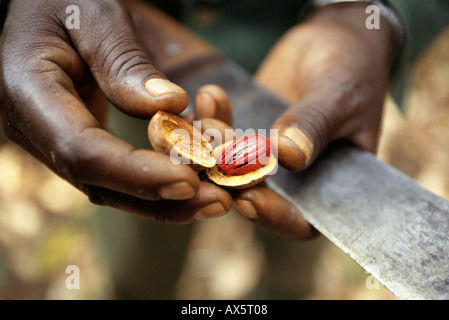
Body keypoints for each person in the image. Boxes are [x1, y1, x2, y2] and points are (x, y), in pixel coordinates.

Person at [0, 0, 448, 299]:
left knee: (294, 258)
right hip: (133, 69)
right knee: (139, 256)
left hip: (307, 83)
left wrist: (373, 13)